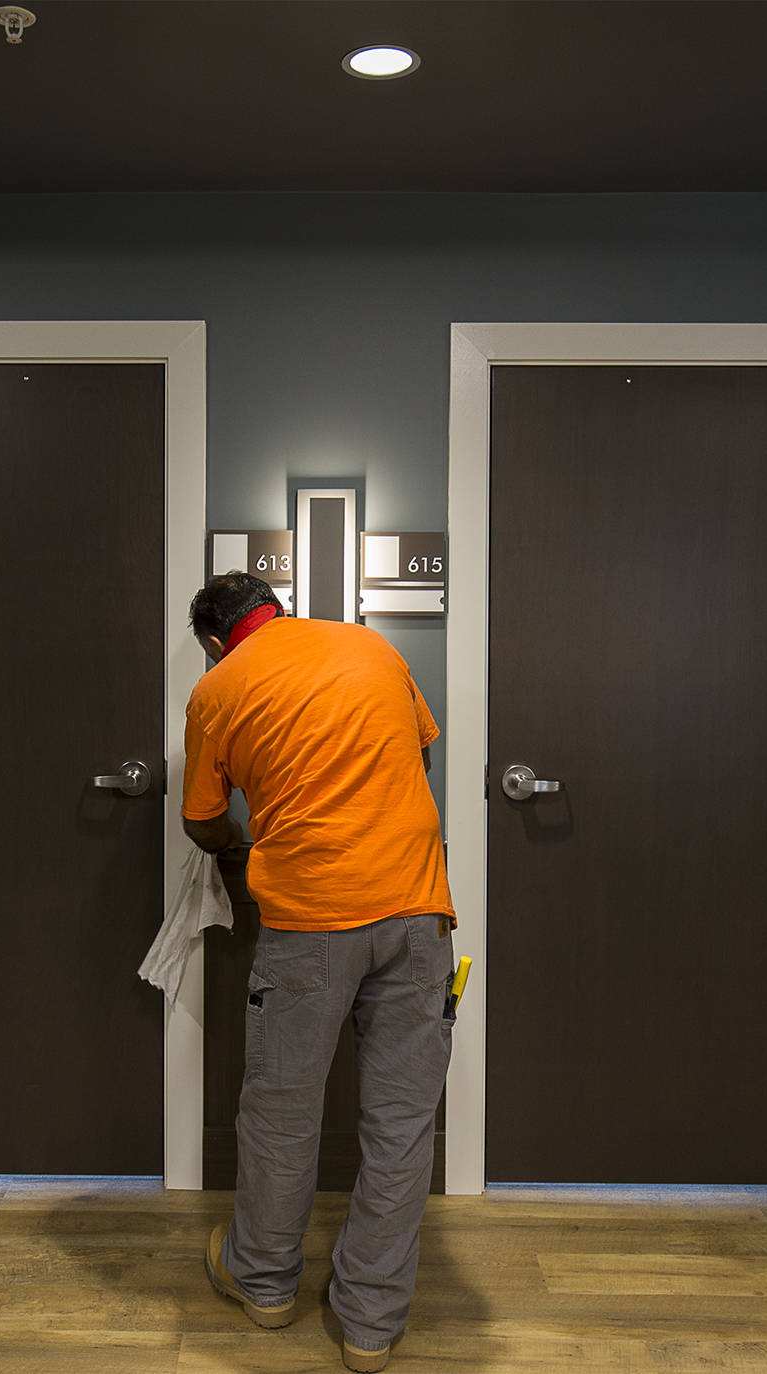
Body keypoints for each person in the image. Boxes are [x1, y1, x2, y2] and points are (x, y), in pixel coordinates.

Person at [182, 570, 456, 1374]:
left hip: (308, 920)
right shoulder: (371, 646)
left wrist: (243, 842)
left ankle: (264, 1284)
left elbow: (202, 824)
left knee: (282, 1112)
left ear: (211, 640)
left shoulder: (219, 688)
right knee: (402, 1123)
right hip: (417, 909)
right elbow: (420, 758)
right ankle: (370, 1328)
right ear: (278, 608)